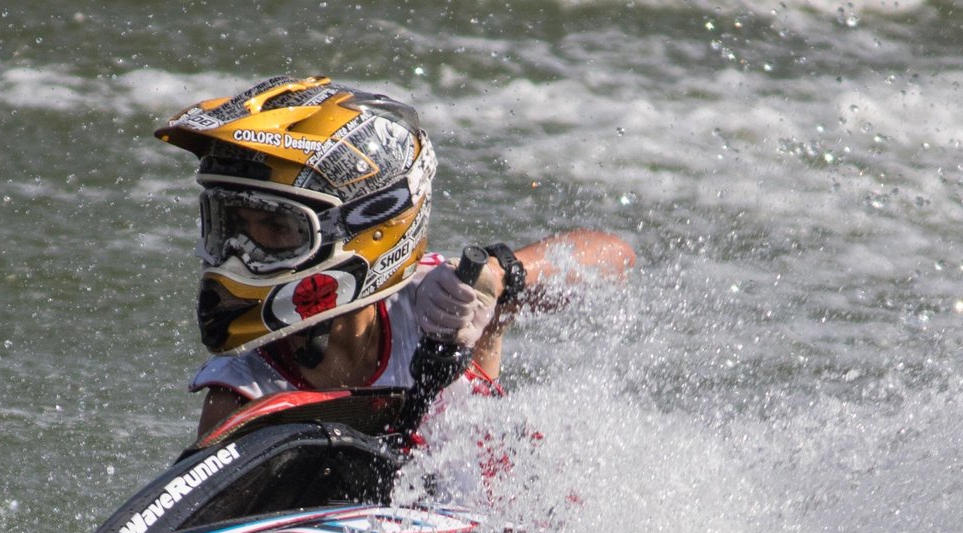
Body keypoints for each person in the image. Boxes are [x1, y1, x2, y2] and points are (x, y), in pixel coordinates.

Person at [154, 74, 635, 452]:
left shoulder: (446, 304)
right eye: (230, 228)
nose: (241, 255)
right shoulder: (242, 393)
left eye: (277, 230)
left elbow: (615, 259)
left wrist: (501, 276)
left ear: (368, 231)